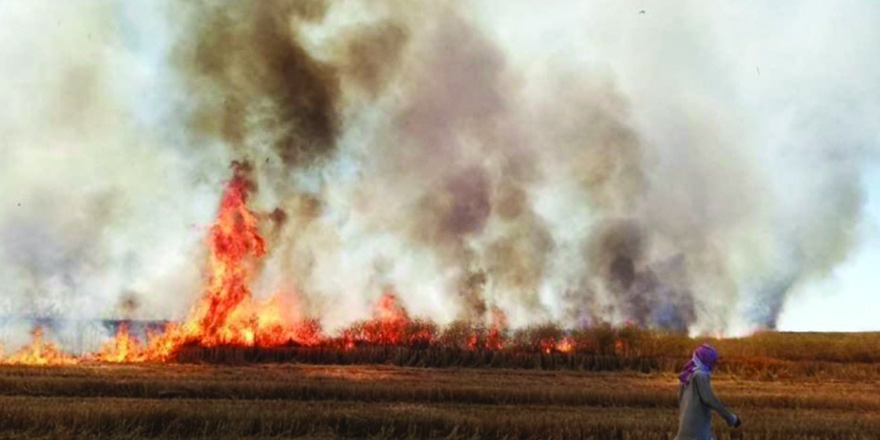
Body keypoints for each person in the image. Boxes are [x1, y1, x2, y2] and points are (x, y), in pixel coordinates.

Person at [674, 343, 741, 440]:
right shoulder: (700, 375)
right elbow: (709, 399)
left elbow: (679, 399)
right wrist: (731, 418)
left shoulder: (687, 374)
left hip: (685, 428)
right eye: (713, 361)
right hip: (697, 431)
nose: (715, 364)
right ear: (707, 360)